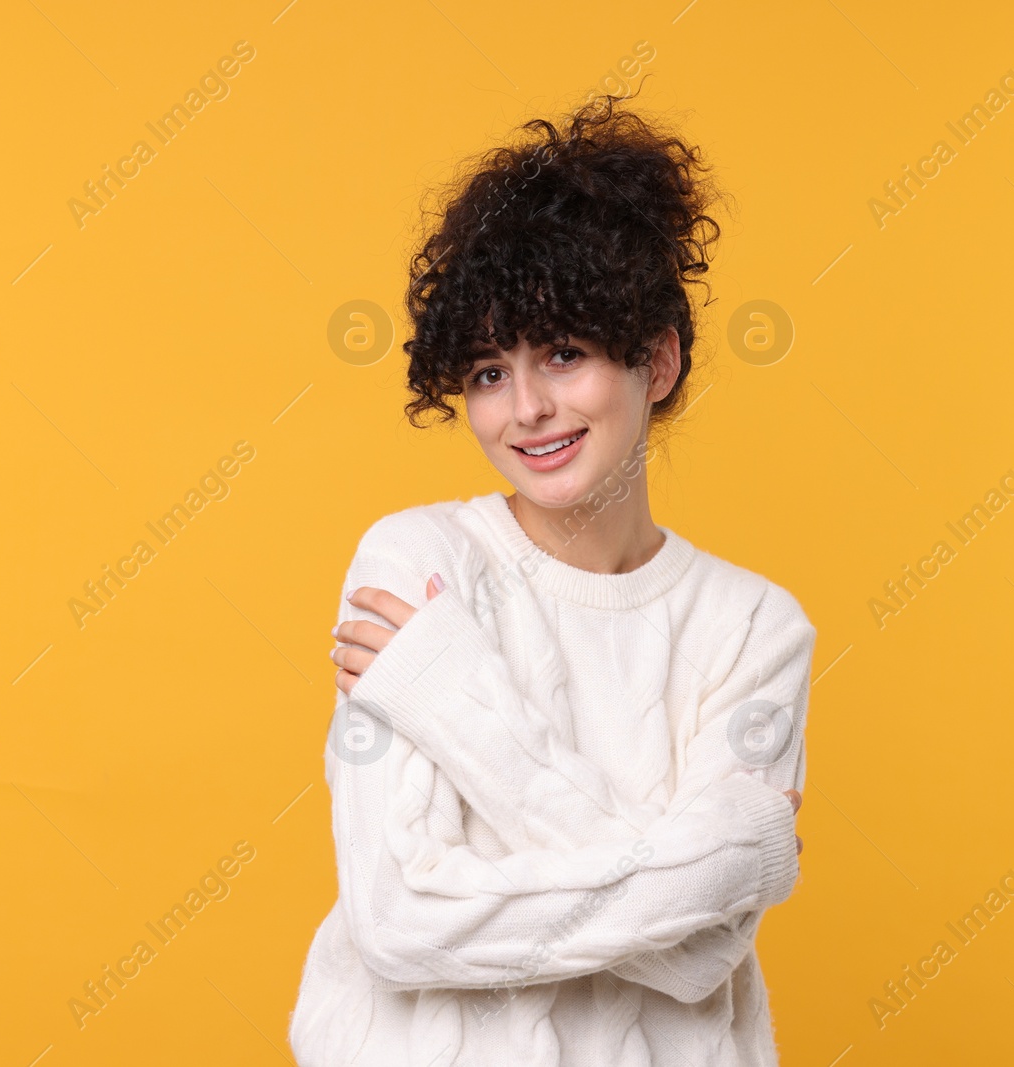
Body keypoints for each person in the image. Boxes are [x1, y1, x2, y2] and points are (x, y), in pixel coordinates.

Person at [288, 90, 818, 1067]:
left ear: (654, 361)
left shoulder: (755, 627)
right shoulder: (418, 569)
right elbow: (398, 920)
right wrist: (716, 860)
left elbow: (706, 955)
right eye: (488, 370)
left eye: (563, 355)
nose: (525, 408)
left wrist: (454, 701)